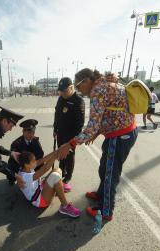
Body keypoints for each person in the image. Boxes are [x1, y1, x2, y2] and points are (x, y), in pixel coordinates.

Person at [57, 69, 138, 221]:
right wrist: (96, 132)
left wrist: (70, 144)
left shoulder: (98, 90)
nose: (79, 91)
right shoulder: (105, 83)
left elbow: (92, 125)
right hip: (118, 133)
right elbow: (109, 113)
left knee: (110, 173)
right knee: (105, 167)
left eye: (79, 87)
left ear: (87, 81)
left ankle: (105, 211)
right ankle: (101, 195)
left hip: (120, 135)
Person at [17, 151, 81, 218]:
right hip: (39, 200)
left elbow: (43, 159)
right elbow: (44, 169)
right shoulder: (25, 177)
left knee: (57, 169)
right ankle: (64, 207)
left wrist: (58, 150)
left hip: (40, 188)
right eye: (33, 161)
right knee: (55, 176)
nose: (35, 162)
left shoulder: (26, 168)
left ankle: (59, 187)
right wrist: (55, 156)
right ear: (26, 164)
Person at [53, 77, 85, 191]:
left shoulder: (78, 101)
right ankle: (61, 171)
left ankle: (68, 176)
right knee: (61, 154)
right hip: (60, 133)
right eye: (60, 91)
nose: (62, 93)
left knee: (69, 156)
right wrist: (55, 128)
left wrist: (73, 140)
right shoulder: (61, 98)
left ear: (71, 88)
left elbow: (79, 124)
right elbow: (57, 114)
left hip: (71, 135)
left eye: (64, 91)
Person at [7, 119, 44, 185]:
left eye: (33, 132)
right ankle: (12, 178)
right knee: (12, 165)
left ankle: (35, 176)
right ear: (23, 132)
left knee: (41, 163)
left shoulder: (35, 140)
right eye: (29, 133)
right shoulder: (16, 143)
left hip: (31, 164)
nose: (31, 135)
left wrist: (32, 163)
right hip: (21, 165)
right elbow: (14, 159)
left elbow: (40, 154)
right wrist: (26, 166)